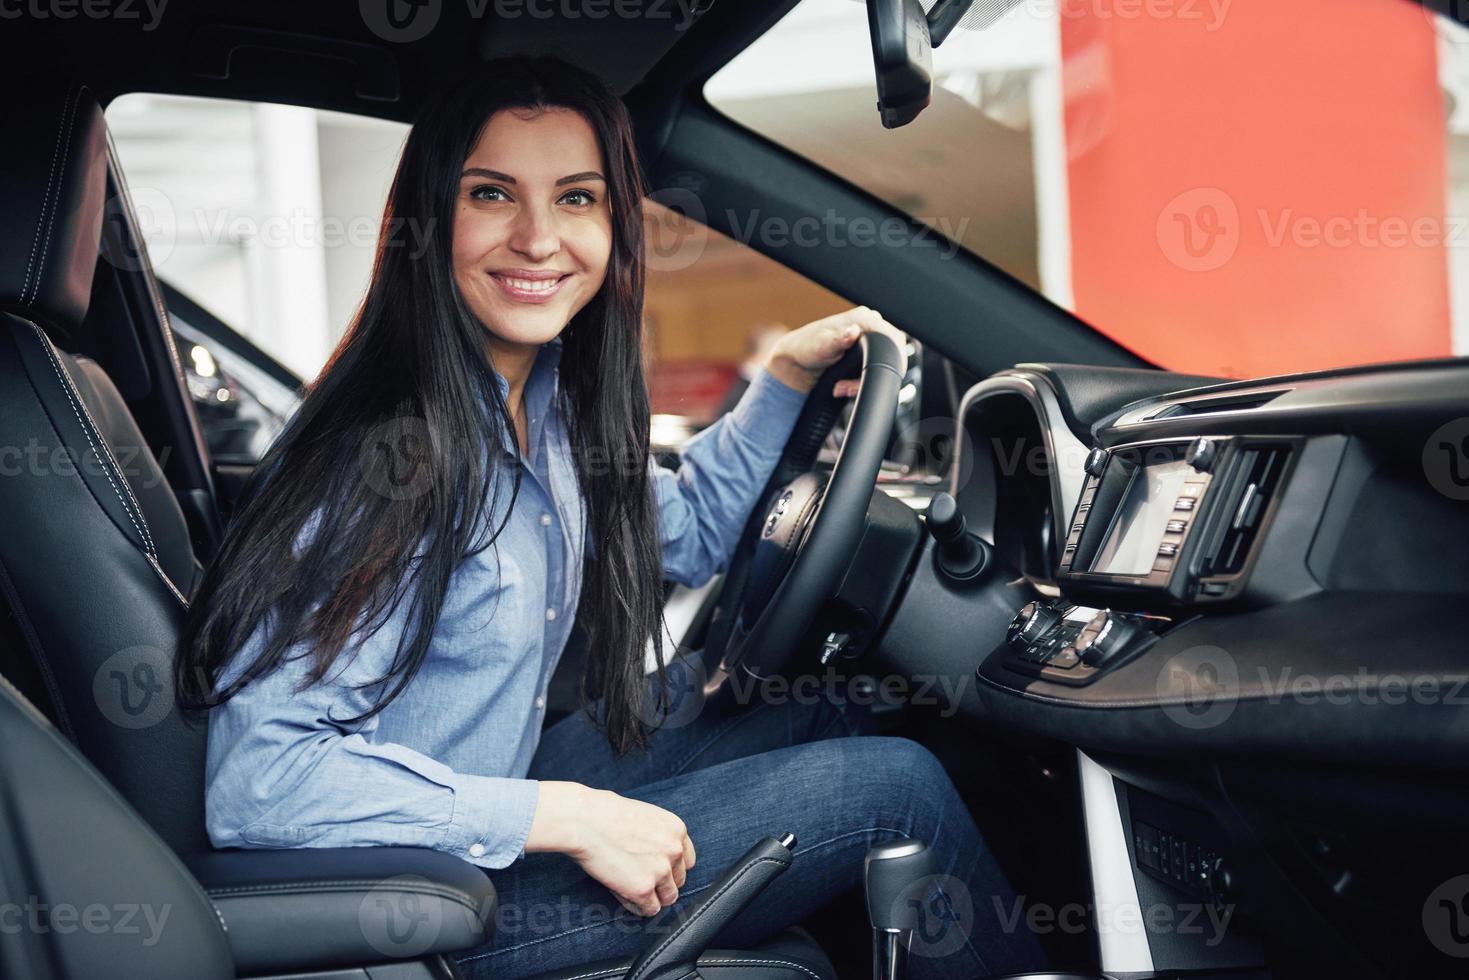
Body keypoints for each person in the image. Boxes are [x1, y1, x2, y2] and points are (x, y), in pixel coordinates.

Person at [175, 56, 1045, 979]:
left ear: (615, 222)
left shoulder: (542, 402)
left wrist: (784, 380)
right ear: (431, 223)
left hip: (481, 813)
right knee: (897, 794)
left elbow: (690, 531)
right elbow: (261, 784)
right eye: (492, 193)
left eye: (577, 198)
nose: (539, 237)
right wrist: (568, 818)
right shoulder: (388, 458)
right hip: (411, 910)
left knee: (814, 705)